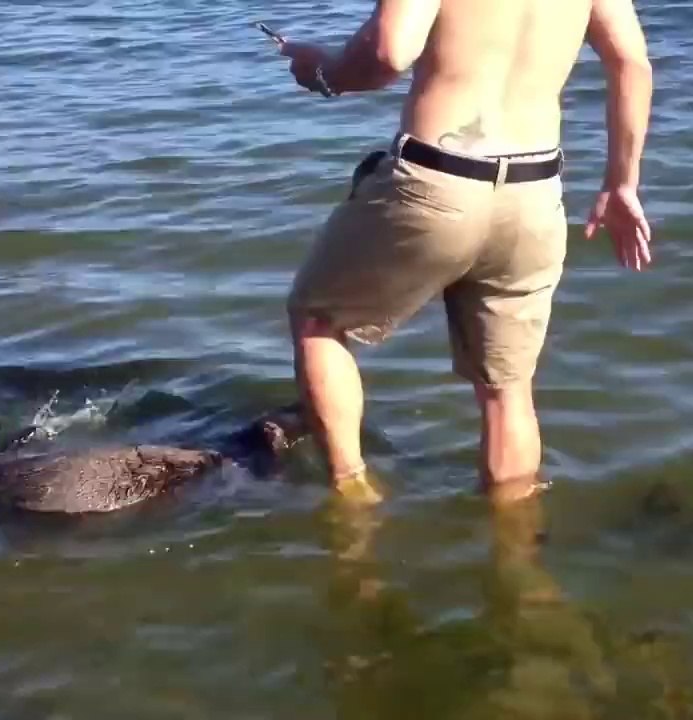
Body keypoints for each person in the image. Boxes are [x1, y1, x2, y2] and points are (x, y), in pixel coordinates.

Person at [277, 0, 653, 502]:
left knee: (317, 316)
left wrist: (323, 72)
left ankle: (352, 492)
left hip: (438, 177)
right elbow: (631, 61)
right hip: (535, 188)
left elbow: (390, 52)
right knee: (508, 389)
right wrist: (622, 183)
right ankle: (515, 544)